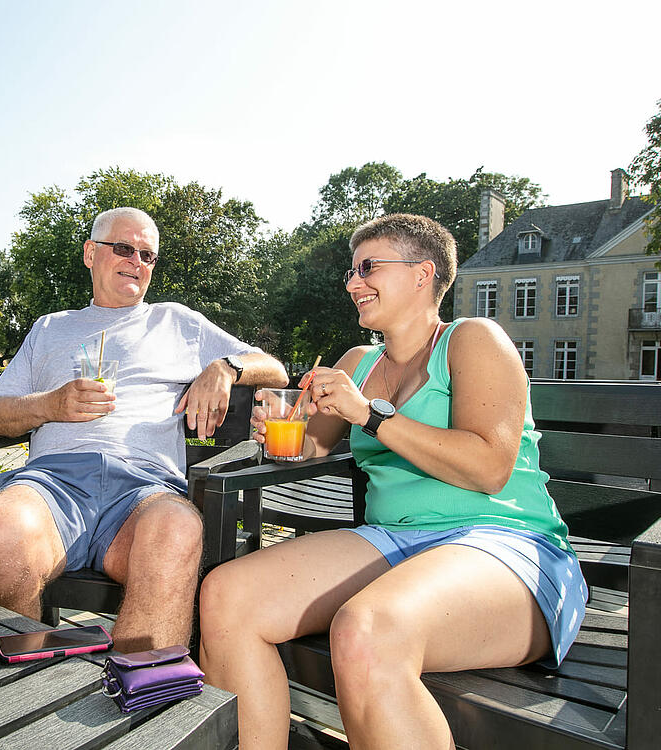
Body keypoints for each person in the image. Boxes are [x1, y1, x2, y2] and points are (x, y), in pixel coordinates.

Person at [199, 213, 587, 749]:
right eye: (351, 271)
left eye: (368, 267)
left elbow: (488, 468)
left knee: (366, 630)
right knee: (227, 596)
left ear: (423, 273)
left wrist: (371, 415)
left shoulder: (473, 340)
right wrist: (278, 431)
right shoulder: (357, 361)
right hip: (393, 542)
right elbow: (311, 446)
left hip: (504, 542)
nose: (353, 283)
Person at [0, 207, 288, 652]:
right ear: (90, 254)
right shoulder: (50, 328)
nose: (137, 261)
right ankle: (19, 693)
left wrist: (226, 366)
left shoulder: (176, 322)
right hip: (54, 483)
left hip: (143, 491)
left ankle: (140, 695)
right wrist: (50, 404)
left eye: (148, 255)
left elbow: (276, 370)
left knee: (176, 529)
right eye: (123, 248)